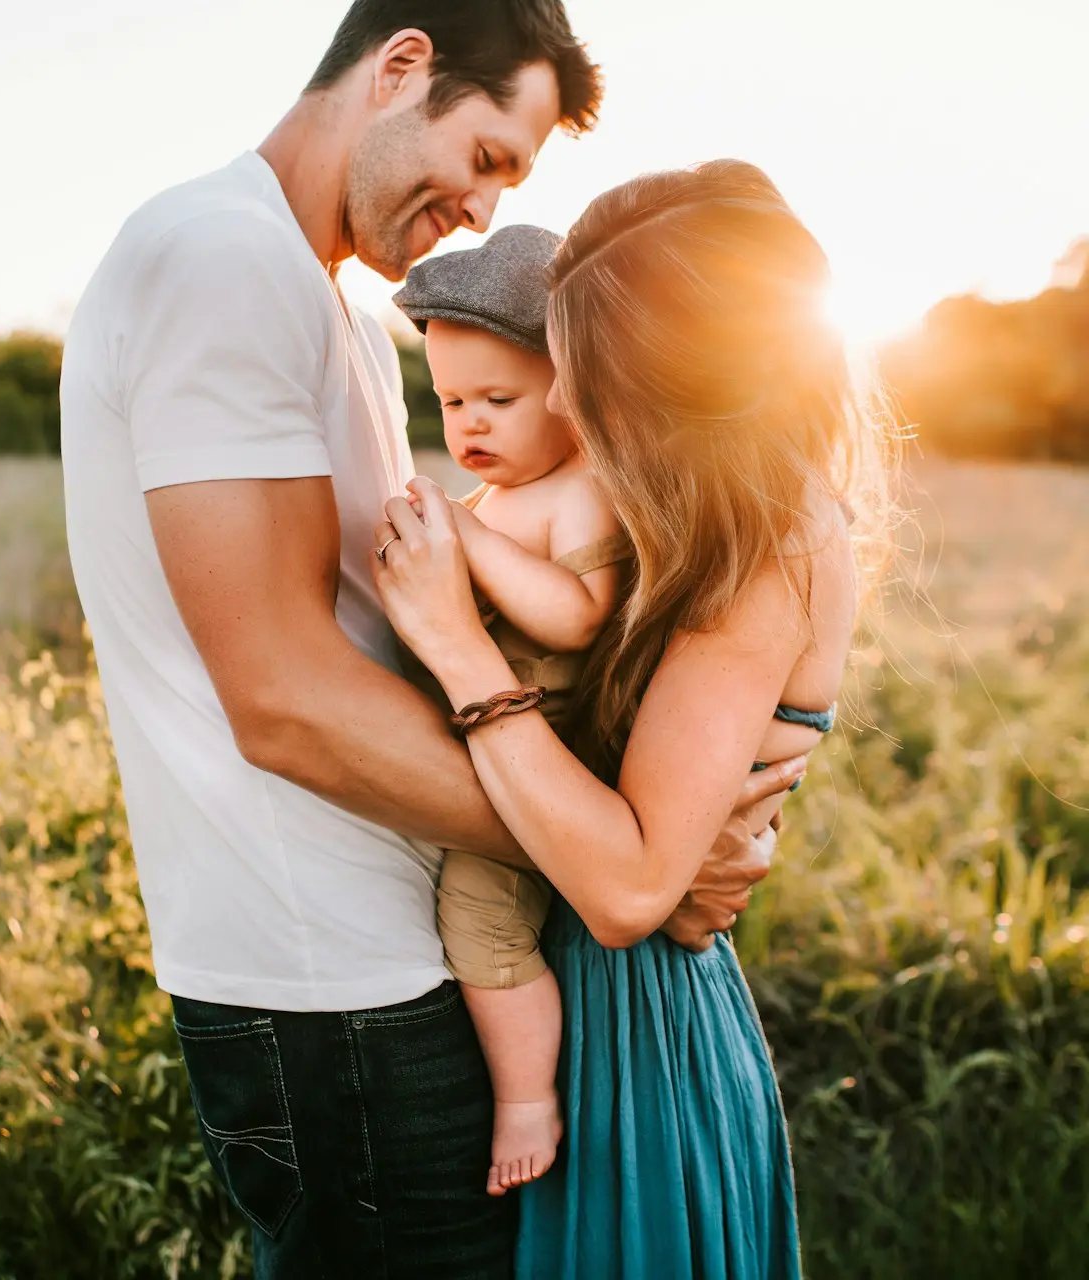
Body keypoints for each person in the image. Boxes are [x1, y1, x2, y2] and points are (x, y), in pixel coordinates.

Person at [60, 0, 802, 1270]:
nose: (481, 210)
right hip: (333, 986)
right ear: (402, 68)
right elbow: (284, 698)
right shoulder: (217, 260)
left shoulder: (336, 311)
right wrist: (633, 859)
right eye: (487, 160)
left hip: (407, 957)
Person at [373, 160, 892, 1278]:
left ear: (684, 378)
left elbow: (624, 888)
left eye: (587, 370)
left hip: (636, 1036)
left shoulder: (769, 540)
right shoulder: (686, 513)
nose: (559, 400)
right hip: (575, 1002)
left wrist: (457, 647)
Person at [391, 224, 632, 1196]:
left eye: (497, 399)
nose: (470, 426)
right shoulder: (499, 494)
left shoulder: (578, 493)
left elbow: (577, 616)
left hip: (545, 769)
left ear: (571, 394)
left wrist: (466, 540)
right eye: (451, 402)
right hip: (486, 748)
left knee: (479, 921)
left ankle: (526, 1094)